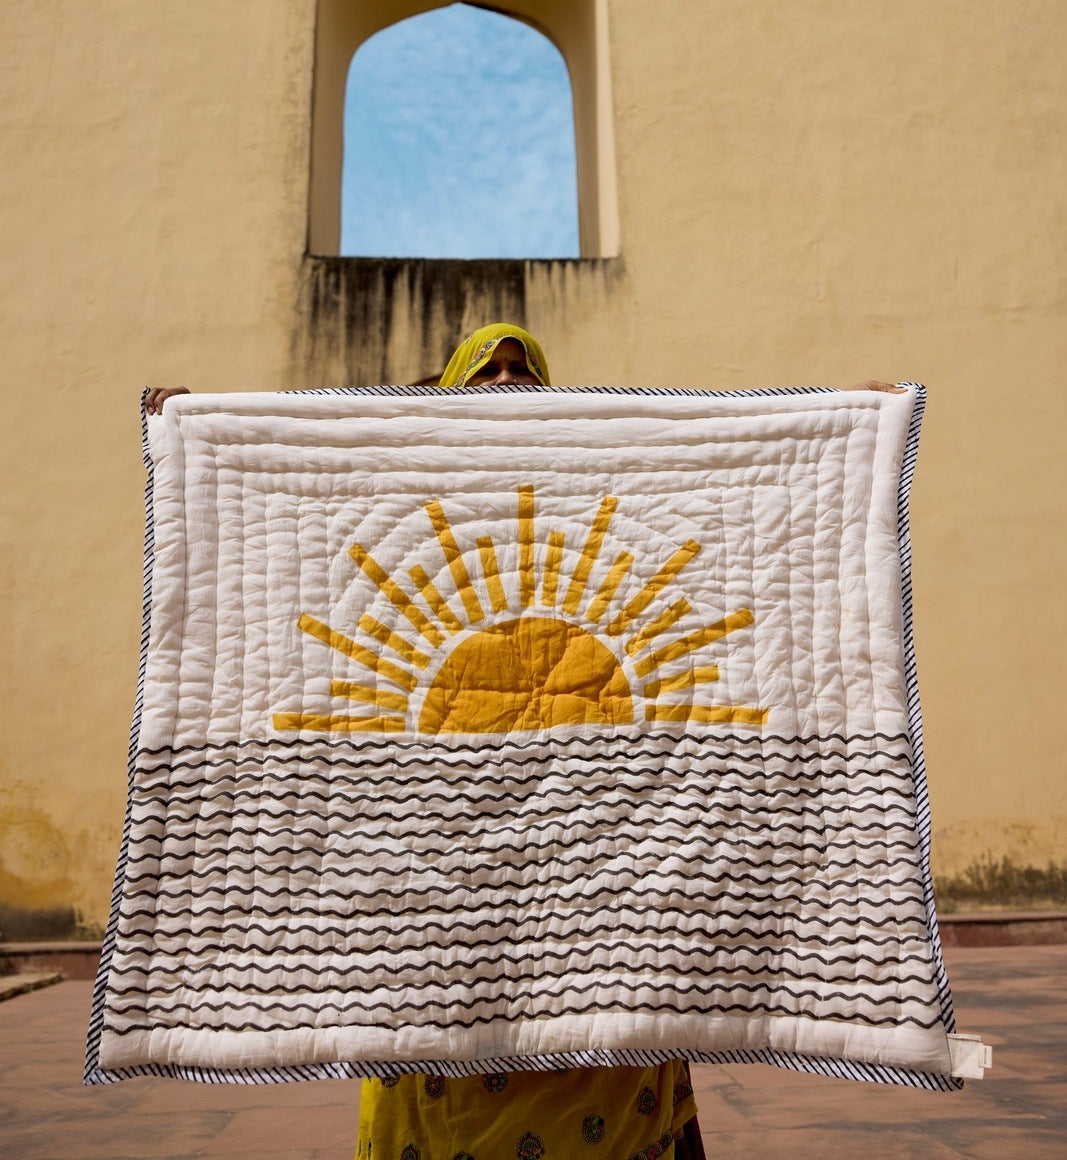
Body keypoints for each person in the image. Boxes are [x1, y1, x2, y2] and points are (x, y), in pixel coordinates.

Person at [144, 326, 901, 1156]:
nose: (507, 380)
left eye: (523, 369)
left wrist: (851, 431)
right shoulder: (403, 492)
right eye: (488, 369)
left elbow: (718, 523)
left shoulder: (590, 492)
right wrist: (191, 429)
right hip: (441, 883)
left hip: (601, 873)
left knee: (611, 1058)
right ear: (449, 387)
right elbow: (302, 526)